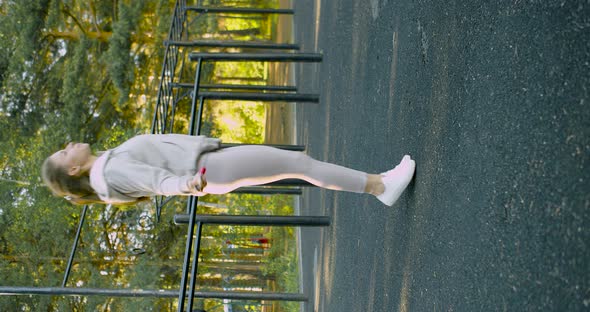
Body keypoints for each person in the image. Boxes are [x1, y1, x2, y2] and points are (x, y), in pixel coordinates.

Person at [41, 134, 416, 206]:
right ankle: (379, 187)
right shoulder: (110, 172)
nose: (70, 143)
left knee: (298, 165)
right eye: (64, 151)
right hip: (204, 170)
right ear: (73, 169)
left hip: (206, 167)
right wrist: (185, 183)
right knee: (300, 165)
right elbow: (158, 181)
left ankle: (378, 184)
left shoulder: (108, 166)